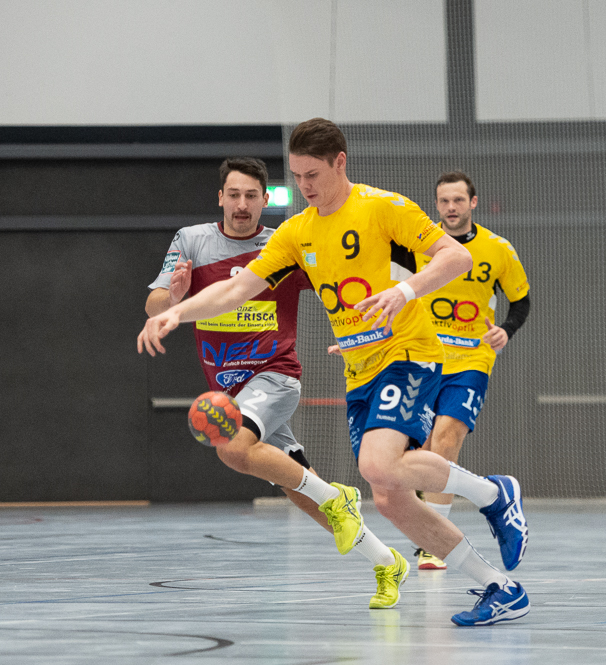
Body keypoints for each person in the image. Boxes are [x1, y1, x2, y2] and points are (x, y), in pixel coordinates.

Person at [138, 120, 530, 627]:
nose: (304, 185)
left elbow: (456, 256)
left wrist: (404, 291)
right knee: (389, 497)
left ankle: (495, 494)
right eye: (297, 175)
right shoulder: (297, 232)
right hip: (359, 368)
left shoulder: (383, 206)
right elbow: (237, 289)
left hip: (408, 350)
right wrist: (176, 312)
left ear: (340, 162)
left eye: (313, 174)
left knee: (377, 467)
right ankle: (499, 587)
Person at [144, 157, 407, 609]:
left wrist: (367, 328)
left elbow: (343, 287)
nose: (242, 204)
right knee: (301, 491)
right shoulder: (192, 241)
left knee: (231, 447)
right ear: (220, 197)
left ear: (265, 200)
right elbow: (154, 305)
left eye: (251, 196)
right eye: (234, 194)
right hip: (231, 390)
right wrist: (176, 297)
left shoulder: (285, 244)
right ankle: (387, 562)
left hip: (275, 375)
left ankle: (339, 496)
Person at [406, 171, 531, 571]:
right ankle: (435, 517)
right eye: (444, 201)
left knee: (446, 440)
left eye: (458, 200)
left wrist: (506, 329)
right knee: (419, 452)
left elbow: (521, 301)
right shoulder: (416, 246)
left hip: (471, 359)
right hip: (422, 356)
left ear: (473, 203)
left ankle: (435, 543)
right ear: (436, 204)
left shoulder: (497, 248)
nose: (451, 208)